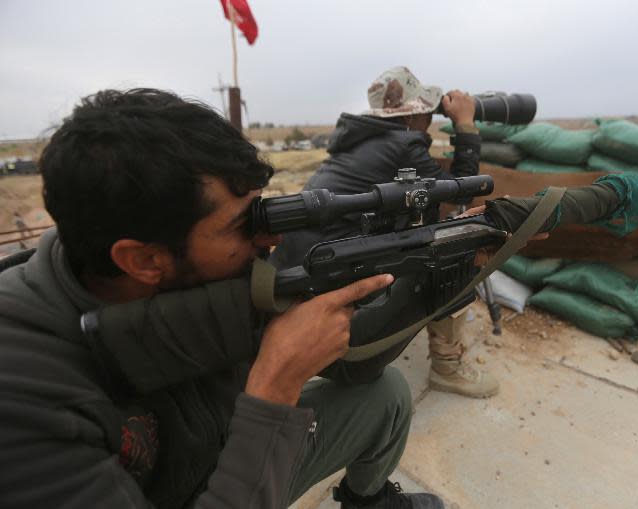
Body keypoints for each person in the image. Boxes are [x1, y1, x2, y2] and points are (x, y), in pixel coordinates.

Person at [0, 89, 445, 508]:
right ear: (144, 260)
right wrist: (273, 393)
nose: (268, 236)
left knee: (384, 396)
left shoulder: (156, 268)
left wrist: (442, 272)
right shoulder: (25, 403)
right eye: (239, 225)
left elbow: (354, 359)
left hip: (222, 447)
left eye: (260, 209)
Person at [272, 66, 500, 399]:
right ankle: (448, 368)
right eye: (425, 112)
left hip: (297, 265)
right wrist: (464, 124)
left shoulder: (362, 141)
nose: (429, 120)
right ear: (410, 117)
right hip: (328, 271)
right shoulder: (404, 144)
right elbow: (459, 192)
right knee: (455, 254)